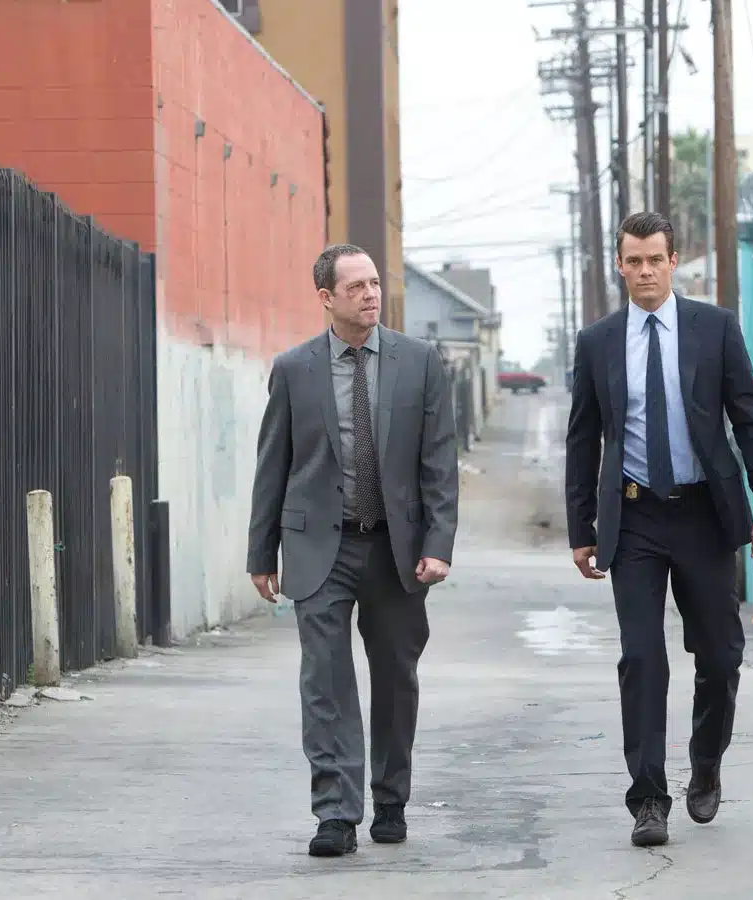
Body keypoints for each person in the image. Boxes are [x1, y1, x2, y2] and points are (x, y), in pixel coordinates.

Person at [565, 211, 753, 848]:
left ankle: (707, 760)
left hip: (703, 515)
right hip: (634, 517)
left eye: (654, 260)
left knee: (719, 655)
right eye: (633, 261)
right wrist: (581, 527)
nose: (644, 272)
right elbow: (582, 439)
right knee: (641, 657)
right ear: (620, 265)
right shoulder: (598, 342)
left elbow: (750, 420)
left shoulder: (714, 329)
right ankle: (648, 799)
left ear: (673, 261)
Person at [246, 243, 459, 858]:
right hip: (320, 548)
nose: (371, 295)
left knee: (395, 676)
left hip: (396, 548)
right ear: (326, 298)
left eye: (374, 284)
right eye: (356, 287)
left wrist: (438, 543)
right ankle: (336, 812)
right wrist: (261, 553)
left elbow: (438, 460)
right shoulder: (295, 369)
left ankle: (391, 799)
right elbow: (274, 463)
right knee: (325, 682)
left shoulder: (419, 362)